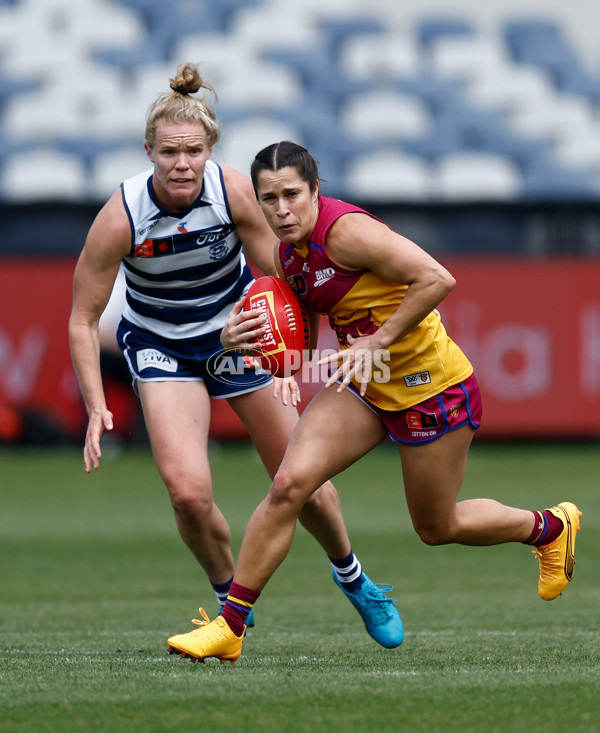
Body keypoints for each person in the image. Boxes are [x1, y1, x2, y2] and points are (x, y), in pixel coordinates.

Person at [167, 140, 582, 665]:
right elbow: (304, 314)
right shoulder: (287, 253)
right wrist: (276, 360)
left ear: (316, 191)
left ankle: (549, 527)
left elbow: (437, 278)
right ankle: (230, 625)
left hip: (431, 387)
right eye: (268, 199)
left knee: (437, 527)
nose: (281, 209)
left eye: (292, 194)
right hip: (365, 386)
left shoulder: (347, 233)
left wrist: (374, 342)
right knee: (289, 485)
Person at [68, 66, 403, 647]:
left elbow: (283, 277)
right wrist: (96, 405)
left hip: (242, 336)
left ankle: (355, 578)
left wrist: (290, 360)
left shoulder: (232, 193)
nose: (181, 163)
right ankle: (231, 610)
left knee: (302, 479)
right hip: (161, 346)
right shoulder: (120, 216)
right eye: (169, 151)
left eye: (193, 151)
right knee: (189, 494)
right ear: (148, 150)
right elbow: (82, 318)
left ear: (209, 150)